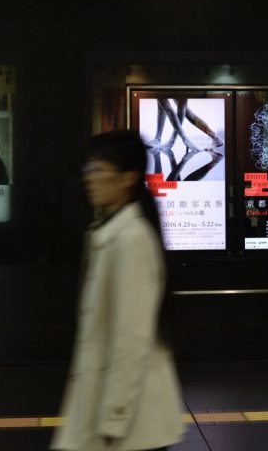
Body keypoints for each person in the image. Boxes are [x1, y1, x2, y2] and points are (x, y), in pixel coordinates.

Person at [51, 131, 184, 451]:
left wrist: (114, 416)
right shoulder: (111, 233)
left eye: (99, 170)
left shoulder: (131, 239)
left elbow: (132, 337)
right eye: (88, 169)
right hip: (122, 418)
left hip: (132, 425)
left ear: (127, 179)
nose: (90, 179)